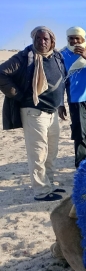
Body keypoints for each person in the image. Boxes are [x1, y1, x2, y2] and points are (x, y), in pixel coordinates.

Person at [0, 26, 68, 201]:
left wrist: (60, 104)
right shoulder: (25, 57)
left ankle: (49, 184)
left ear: (52, 40)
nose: (42, 42)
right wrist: (19, 94)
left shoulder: (57, 57)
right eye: (38, 38)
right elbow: (1, 73)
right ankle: (41, 191)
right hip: (33, 112)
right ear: (34, 39)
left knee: (51, 151)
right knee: (38, 153)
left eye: (45, 39)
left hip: (52, 113)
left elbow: (60, 82)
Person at [60, 27, 86, 168]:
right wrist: (60, 104)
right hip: (76, 100)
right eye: (71, 38)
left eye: (77, 38)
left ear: (83, 39)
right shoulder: (62, 54)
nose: (74, 41)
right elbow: (60, 81)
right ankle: (81, 165)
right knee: (80, 135)